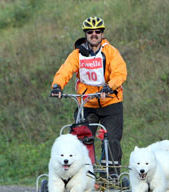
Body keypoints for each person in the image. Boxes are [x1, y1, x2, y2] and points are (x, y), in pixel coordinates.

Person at [50, 16, 127, 177]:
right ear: (85, 34)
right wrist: (57, 86)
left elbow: (120, 72)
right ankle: (83, 175)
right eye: (90, 32)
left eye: (97, 32)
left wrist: (109, 86)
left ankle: (111, 176)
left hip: (111, 103)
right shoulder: (77, 54)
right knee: (81, 139)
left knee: (111, 140)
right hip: (87, 105)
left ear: (102, 34)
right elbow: (65, 70)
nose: (94, 34)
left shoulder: (110, 52)